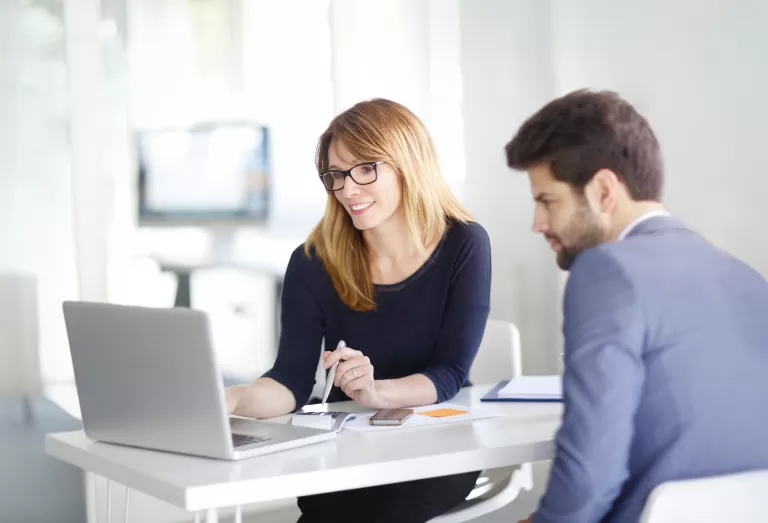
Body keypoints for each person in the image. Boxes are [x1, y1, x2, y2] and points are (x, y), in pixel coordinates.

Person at [504, 89, 768, 523]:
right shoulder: (745, 275)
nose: (538, 224)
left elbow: (591, 476)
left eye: (546, 201)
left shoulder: (605, 270)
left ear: (603, 191)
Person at [226, 98, 491, 523]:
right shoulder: (313, 261)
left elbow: (449, 373)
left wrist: (374, 392)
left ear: (408, 164)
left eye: (366, 169)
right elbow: (290, 381)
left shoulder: (464, 244)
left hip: (436, 445)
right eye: (336, 175)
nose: (348, 189)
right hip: (345, 448)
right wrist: (231, 398)